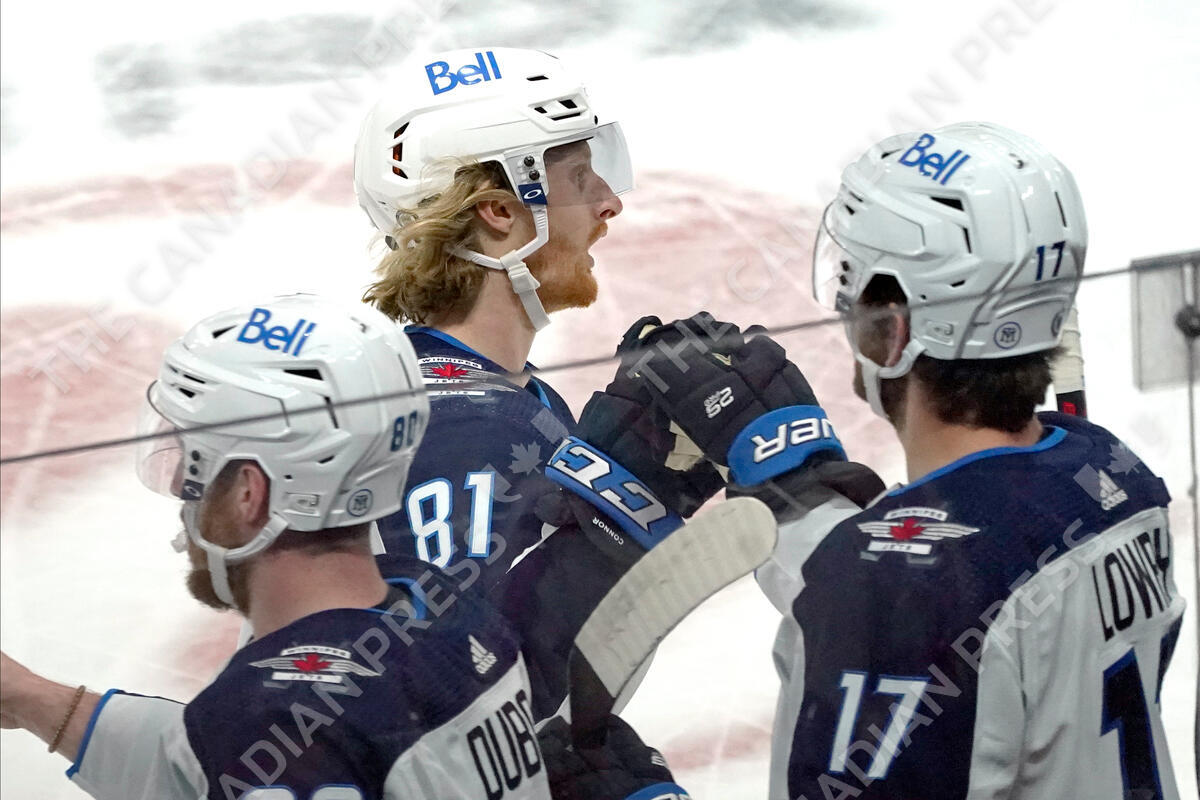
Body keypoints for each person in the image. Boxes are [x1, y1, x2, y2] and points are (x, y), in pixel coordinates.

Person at [611, 123, 1185, 798]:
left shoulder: (896, 595)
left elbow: (917, 599)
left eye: (852, 288)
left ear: (894, 330)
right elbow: (970, 568)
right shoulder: (1115, 475)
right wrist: (798, 492)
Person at [0, 294, 553, 800]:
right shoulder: (445, 609)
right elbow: (198, 765)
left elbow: (253, 748)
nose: (180, 493)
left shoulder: (276, 715)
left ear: (249, 492)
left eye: (193, 464)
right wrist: (24, 694)